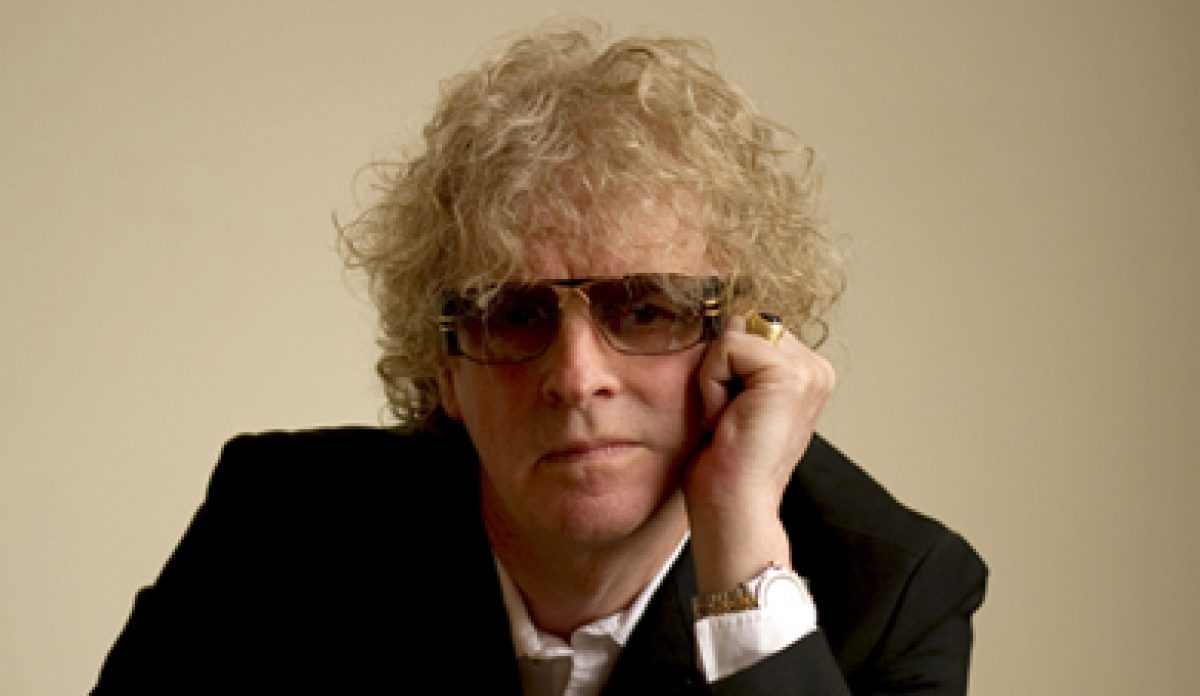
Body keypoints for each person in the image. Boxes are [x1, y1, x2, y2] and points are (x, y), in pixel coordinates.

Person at [92, 22, 986, 695]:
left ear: (747, 340)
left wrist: (745, 570)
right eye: (512, 315)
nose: (575, 377)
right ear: (444, 368)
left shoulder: (890, 595)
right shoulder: (280, 526)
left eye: (646, 308)